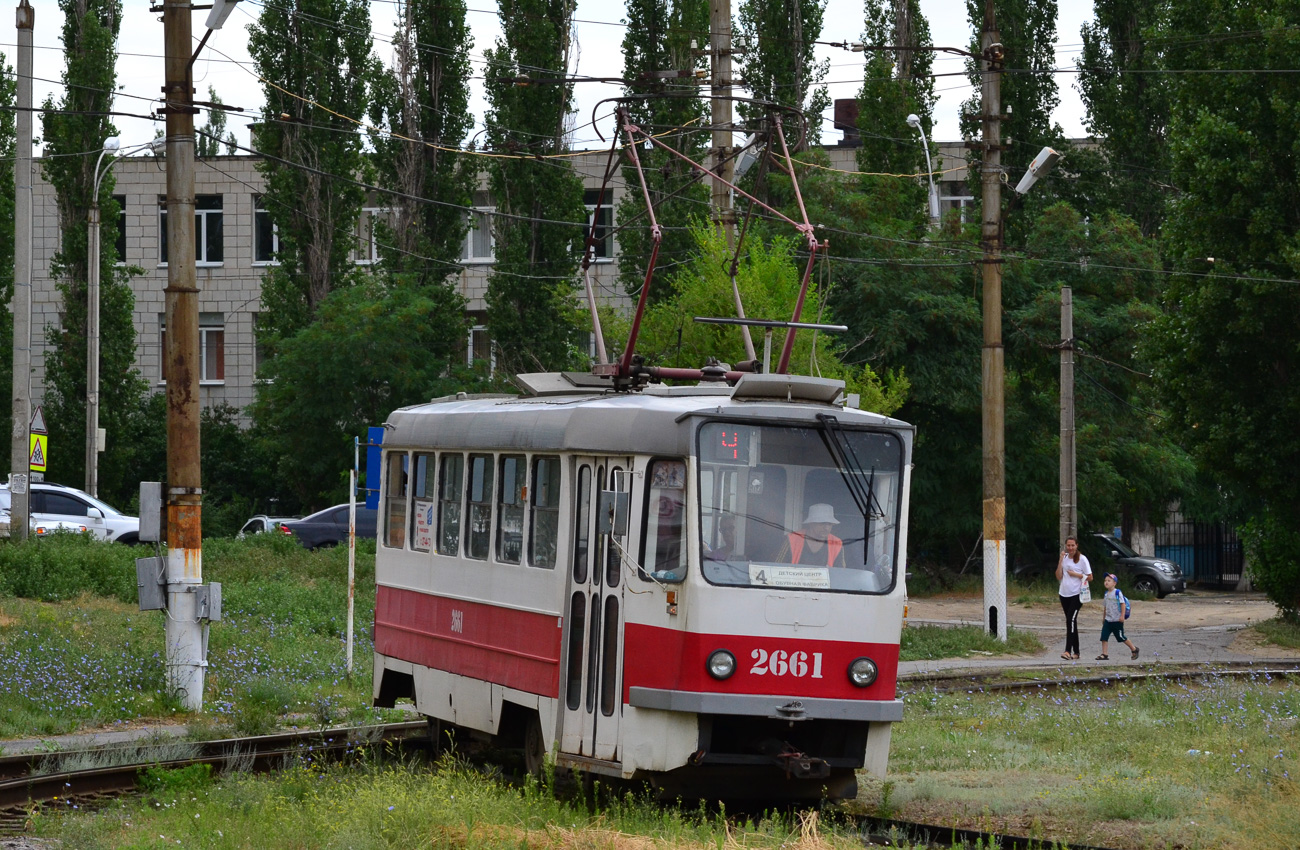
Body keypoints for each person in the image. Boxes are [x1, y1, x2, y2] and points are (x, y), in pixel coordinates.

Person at [773, 504, 847, 568]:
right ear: (811, 523)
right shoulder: (792, 539)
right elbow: (776, 568)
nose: (826, 528)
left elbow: (841, 573)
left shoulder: (837, 543)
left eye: (829, 524)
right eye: (821, 523)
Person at [1056, 536, 1093, 660]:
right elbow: (1058, 576)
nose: (1070, 548)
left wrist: (1076, 574)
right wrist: (1060, 560)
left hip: (1077, 595)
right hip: (1064, 594)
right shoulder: (1065, 558)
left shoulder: (1082, 559)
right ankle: (1076, 652)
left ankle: (1067, 651)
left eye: (1073, 545)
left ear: (1077, 546)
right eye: (1068, 545)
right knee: (1072, 621)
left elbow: (1090, 577)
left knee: (1070, 620)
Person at [1097, 573, 1139, 661]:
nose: (1106, 582)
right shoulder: (1106, 594)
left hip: (1117, 620)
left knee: (1121, 637)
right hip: (1108, 620)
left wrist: (1122, 616)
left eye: (1109, 580)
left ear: (1114, 583)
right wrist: (1104, 618)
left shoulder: (1117, 592)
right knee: (1104, 637)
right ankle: (1104, 654)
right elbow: (1105, 607)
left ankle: (1134, 649)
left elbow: (1122, 604)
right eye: (1105, 580)